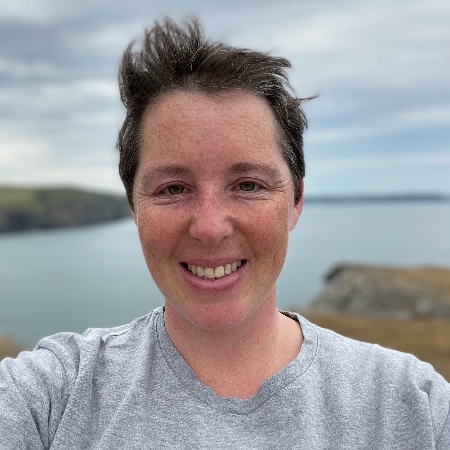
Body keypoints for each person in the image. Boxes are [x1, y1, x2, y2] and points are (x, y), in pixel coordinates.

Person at [1, 18, 449, 449]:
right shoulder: (51, 396)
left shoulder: (416, 407)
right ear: (135, 207)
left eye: (248, 185)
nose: (210, 228)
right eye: (173, 188)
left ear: (295, 201)